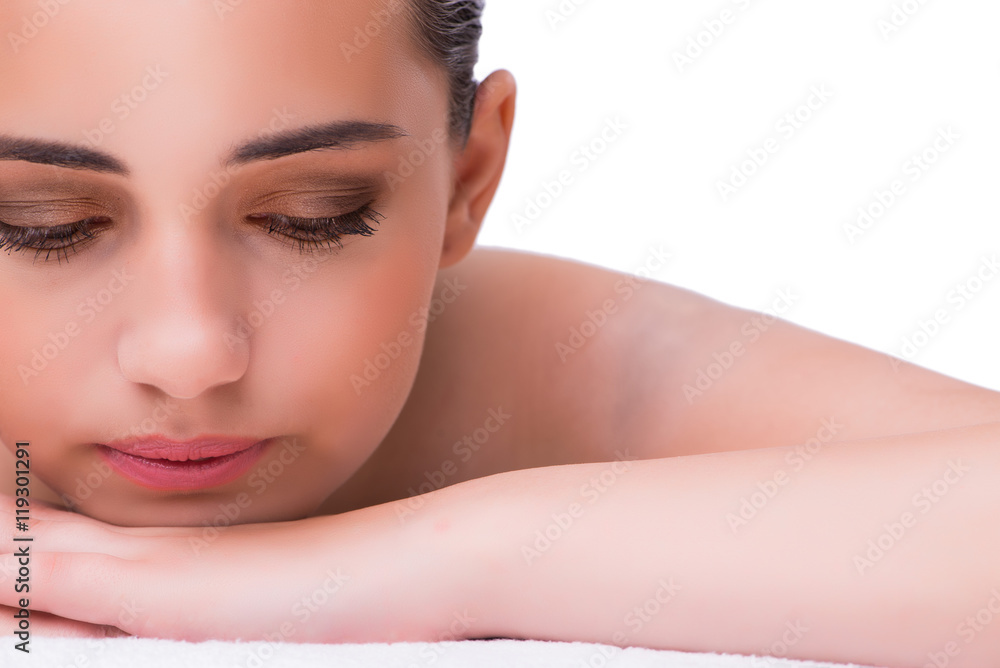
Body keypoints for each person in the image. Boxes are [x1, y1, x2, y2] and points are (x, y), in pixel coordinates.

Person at [1, 0, 999, 664]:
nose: (188, 352)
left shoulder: (518, 359)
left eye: (315, 214)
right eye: (41, 224)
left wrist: (419, 560)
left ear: (466, 179)